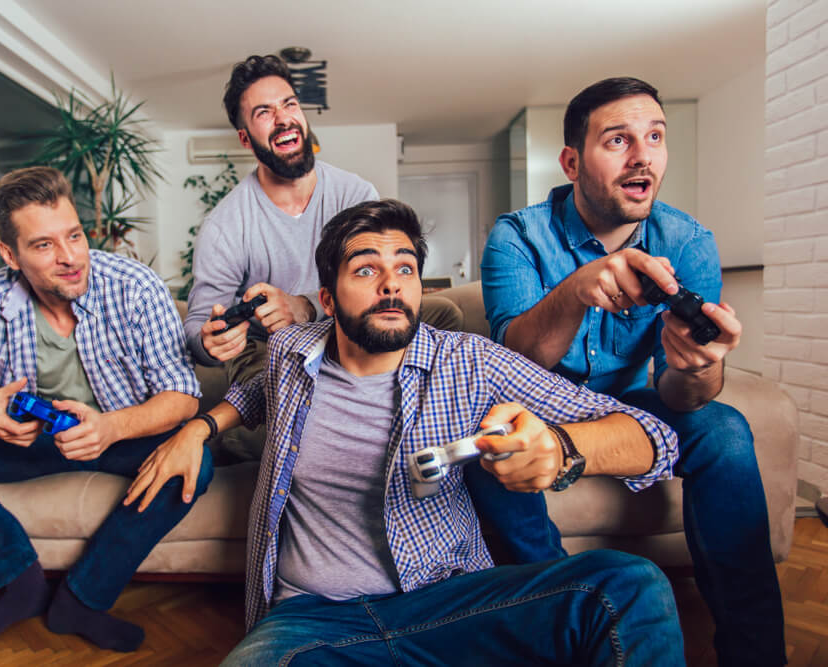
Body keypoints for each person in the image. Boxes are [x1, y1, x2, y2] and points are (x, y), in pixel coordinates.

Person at [130, 199, 686, 665]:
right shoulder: (290, 351)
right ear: (327, 299)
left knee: (627, 585)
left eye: (405, 269)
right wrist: (199, 428)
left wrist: (563, 449)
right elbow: (255, 394)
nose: (390, 285)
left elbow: (654, 437)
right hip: (310, 619)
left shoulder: (470, 362)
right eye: (366, 270)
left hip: (449, 603)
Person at [479, 77, 785, 666]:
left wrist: (697, 369)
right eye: (618, 140)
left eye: (654, 137)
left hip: (628, 406)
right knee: (488, 437)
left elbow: (681, 395)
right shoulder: (516, 235)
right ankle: (569, 615)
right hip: (533, 407)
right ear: (571, 161)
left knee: (722, 427)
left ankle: (756, 654)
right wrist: (575, 292)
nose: (642, 155)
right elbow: (515, 362)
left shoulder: (689, 241)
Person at [0, 166, 214, 657]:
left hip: (118, 433)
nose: (70, 258)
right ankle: (19, 586)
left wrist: (110, 427)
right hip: (29, 441)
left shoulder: (134, 287)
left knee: (194, 463)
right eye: (43, 245)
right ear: (10, 254)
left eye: (75, 236)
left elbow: (182, 395)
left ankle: (83, 601)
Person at [184, 55, 462, 429]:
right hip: (267, 347)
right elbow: (199, 324)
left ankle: (415, 412)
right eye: (264, 112)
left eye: (290, 104)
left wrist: (304, 306)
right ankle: (246, 438)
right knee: (276, 386)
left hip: (346, 324)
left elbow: (376, 277)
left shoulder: (356, 193)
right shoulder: (225, 225)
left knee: (446, 313)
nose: (283, 118)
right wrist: (210, 341)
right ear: (245, 137)